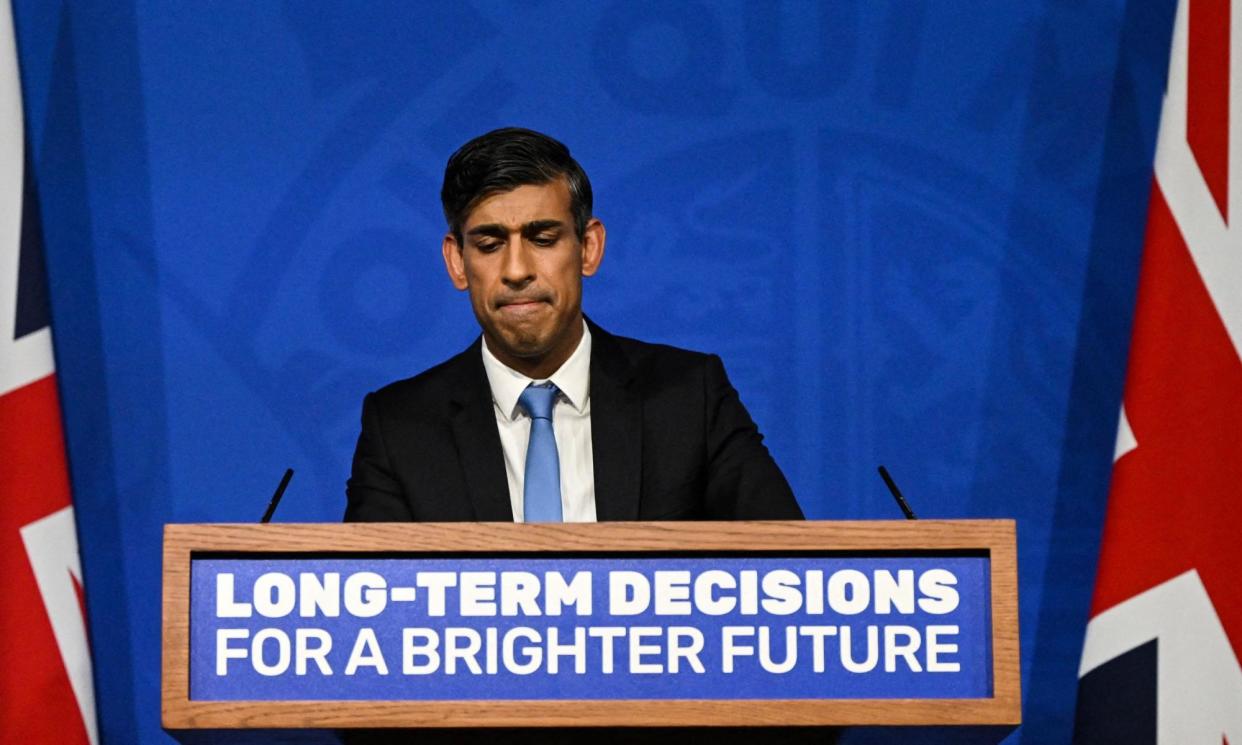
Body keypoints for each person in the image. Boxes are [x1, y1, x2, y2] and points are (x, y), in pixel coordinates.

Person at [345, 127, 802, 523]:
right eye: (489, 245)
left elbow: (790, 573)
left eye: (543, 239)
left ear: (588, 248)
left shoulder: (689, 398)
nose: (517, 270)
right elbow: (373, 606)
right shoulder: (401, 427)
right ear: (456, 262)